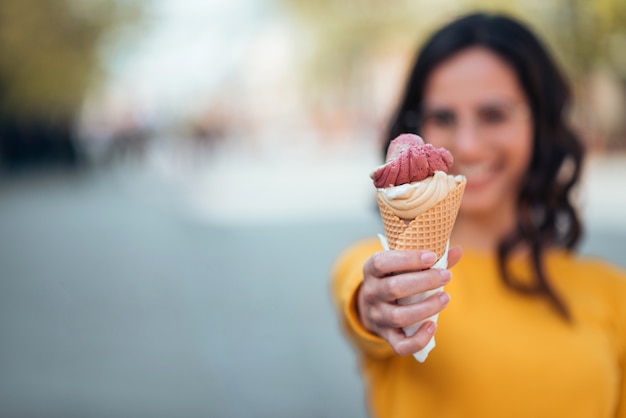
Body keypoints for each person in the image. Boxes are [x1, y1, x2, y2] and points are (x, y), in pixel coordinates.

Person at [331, 12, 626, 418]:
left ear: (540, 125)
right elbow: (365, 302)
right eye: (444, 117)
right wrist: (376, 306)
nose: (467, 146)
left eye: (494, 115)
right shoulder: (382, 271)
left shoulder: (614, 294)